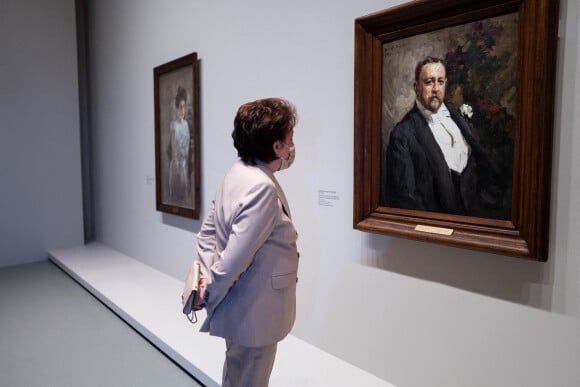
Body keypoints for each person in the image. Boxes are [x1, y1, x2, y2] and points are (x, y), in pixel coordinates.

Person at [185, 98, 299, 387]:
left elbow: (207, 235)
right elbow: (236, 258)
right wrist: (208, 293)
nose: (291, 147)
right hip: (254, 311)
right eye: (289, 140)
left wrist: (205, 281)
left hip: (241, 308)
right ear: (276, 147)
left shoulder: (235, 173)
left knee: (236, 377)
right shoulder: (261, 186)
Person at [383, 56, 507, 219]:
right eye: (429, 82)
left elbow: (481, 159)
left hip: (481, 215)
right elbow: (406, 198)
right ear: (416, 87)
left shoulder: (455, 113)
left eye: (440, 81)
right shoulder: (402, 134)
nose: (436, 88)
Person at [167, 86, 191, 203]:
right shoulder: (173, 125)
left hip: (184, 163)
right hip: (176, 164)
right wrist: (176, 161)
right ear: (177, 108)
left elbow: (186, 145)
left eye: (184, 107)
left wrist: (185, 161)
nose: (183, 110)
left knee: (184, 191)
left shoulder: (186, 124)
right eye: (181, 107)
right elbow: (173, 146)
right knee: (176, 194)